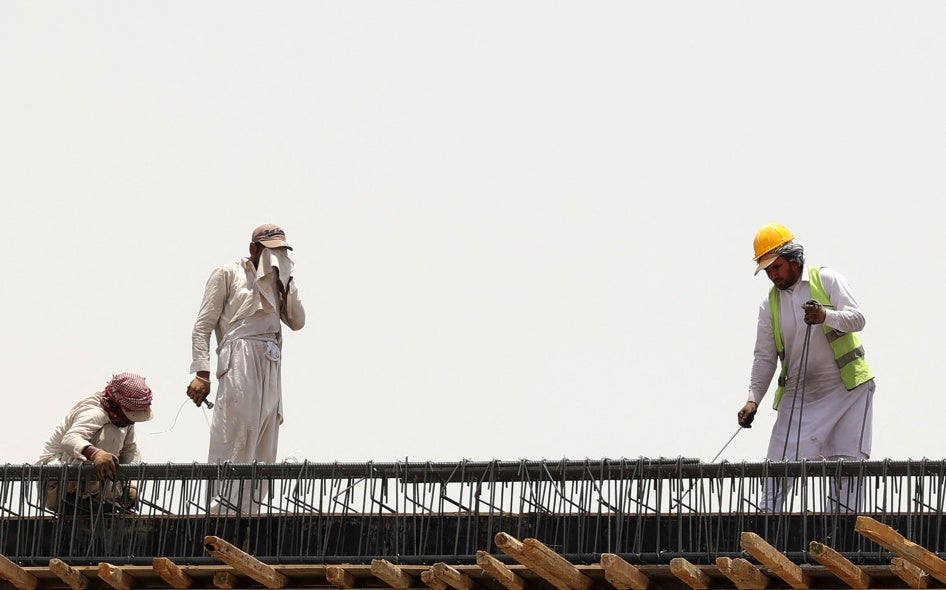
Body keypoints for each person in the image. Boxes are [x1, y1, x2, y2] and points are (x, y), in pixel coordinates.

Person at [737, 223, 874, 511]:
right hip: (801, 393)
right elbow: (764, 357)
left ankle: (842, 529)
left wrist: (825, 315)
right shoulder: (769, 305)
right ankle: (764, 524)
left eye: (777, 267)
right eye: (768, 271)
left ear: (793, 259)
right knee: (778, 465)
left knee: (846, 468)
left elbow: (857, 318)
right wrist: (753, 399)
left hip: (846, 391)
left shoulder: (826, 279)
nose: (773, 275)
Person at [186, 224, 305, 511]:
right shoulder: (227, 273)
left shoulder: (279, 282)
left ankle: (250, 512)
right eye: (271, 251)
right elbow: (202, 327)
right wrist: (202, 373)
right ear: (254, 249)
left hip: (271, 359)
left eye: (281, 252)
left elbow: (298, 322)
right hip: (239, 356)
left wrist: (287, 285)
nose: (276, 257)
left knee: (265, 438)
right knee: (237, 431)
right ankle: (220, 511)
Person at [38, 372, 154, 512]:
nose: (132, 421)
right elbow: (70, 440)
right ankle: (83, 498)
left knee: (121, 443)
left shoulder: (124, 419)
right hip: (57, 486)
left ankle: (102, 500)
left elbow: (131, 451)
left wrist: (131, 486)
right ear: (118, 406)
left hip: (97, 493)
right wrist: (96, 454)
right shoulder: (94, 412)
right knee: (111, 433)